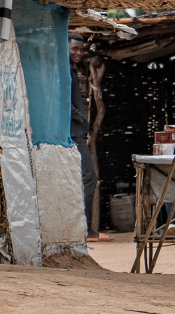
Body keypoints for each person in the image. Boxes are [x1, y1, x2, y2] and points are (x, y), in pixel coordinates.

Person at [70, 33, 112, 243]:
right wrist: (81, 119)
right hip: (73, 132)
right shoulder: (65, 71)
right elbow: (63, 102)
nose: (78, 53)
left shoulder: (70, 70)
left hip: (76, 131)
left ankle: (83, 228)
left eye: (81, 49)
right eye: (74, 48)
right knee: (89, 178)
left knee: (80, 179)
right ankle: (85, 229)